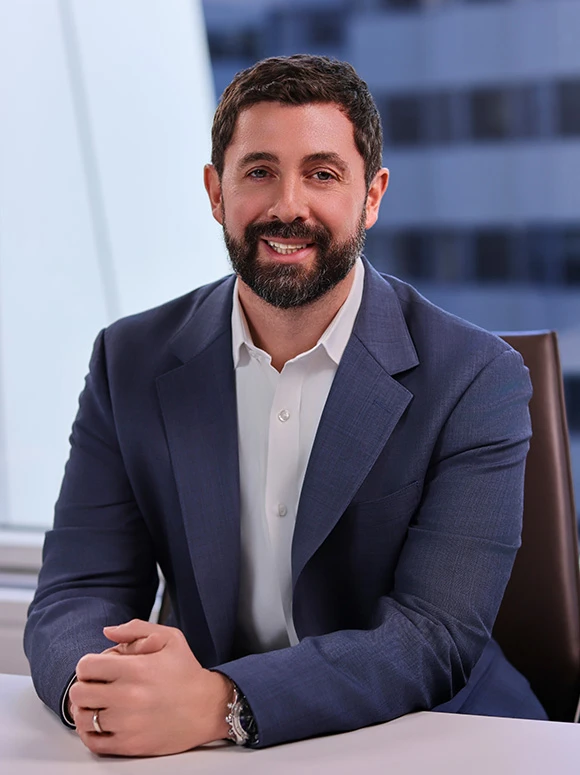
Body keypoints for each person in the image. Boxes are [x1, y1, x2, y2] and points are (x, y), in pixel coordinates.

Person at [24, 54, 547, 758]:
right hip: (210, 752)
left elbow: (433, 636)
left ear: (372, 196)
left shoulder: (475, 378)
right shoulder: (130, 360)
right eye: (259, 172)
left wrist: (223, 703)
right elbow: (78, 590)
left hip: (438, 738)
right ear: (216, 192)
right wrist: (98, 692)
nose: (287, 206)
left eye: (322, 174)